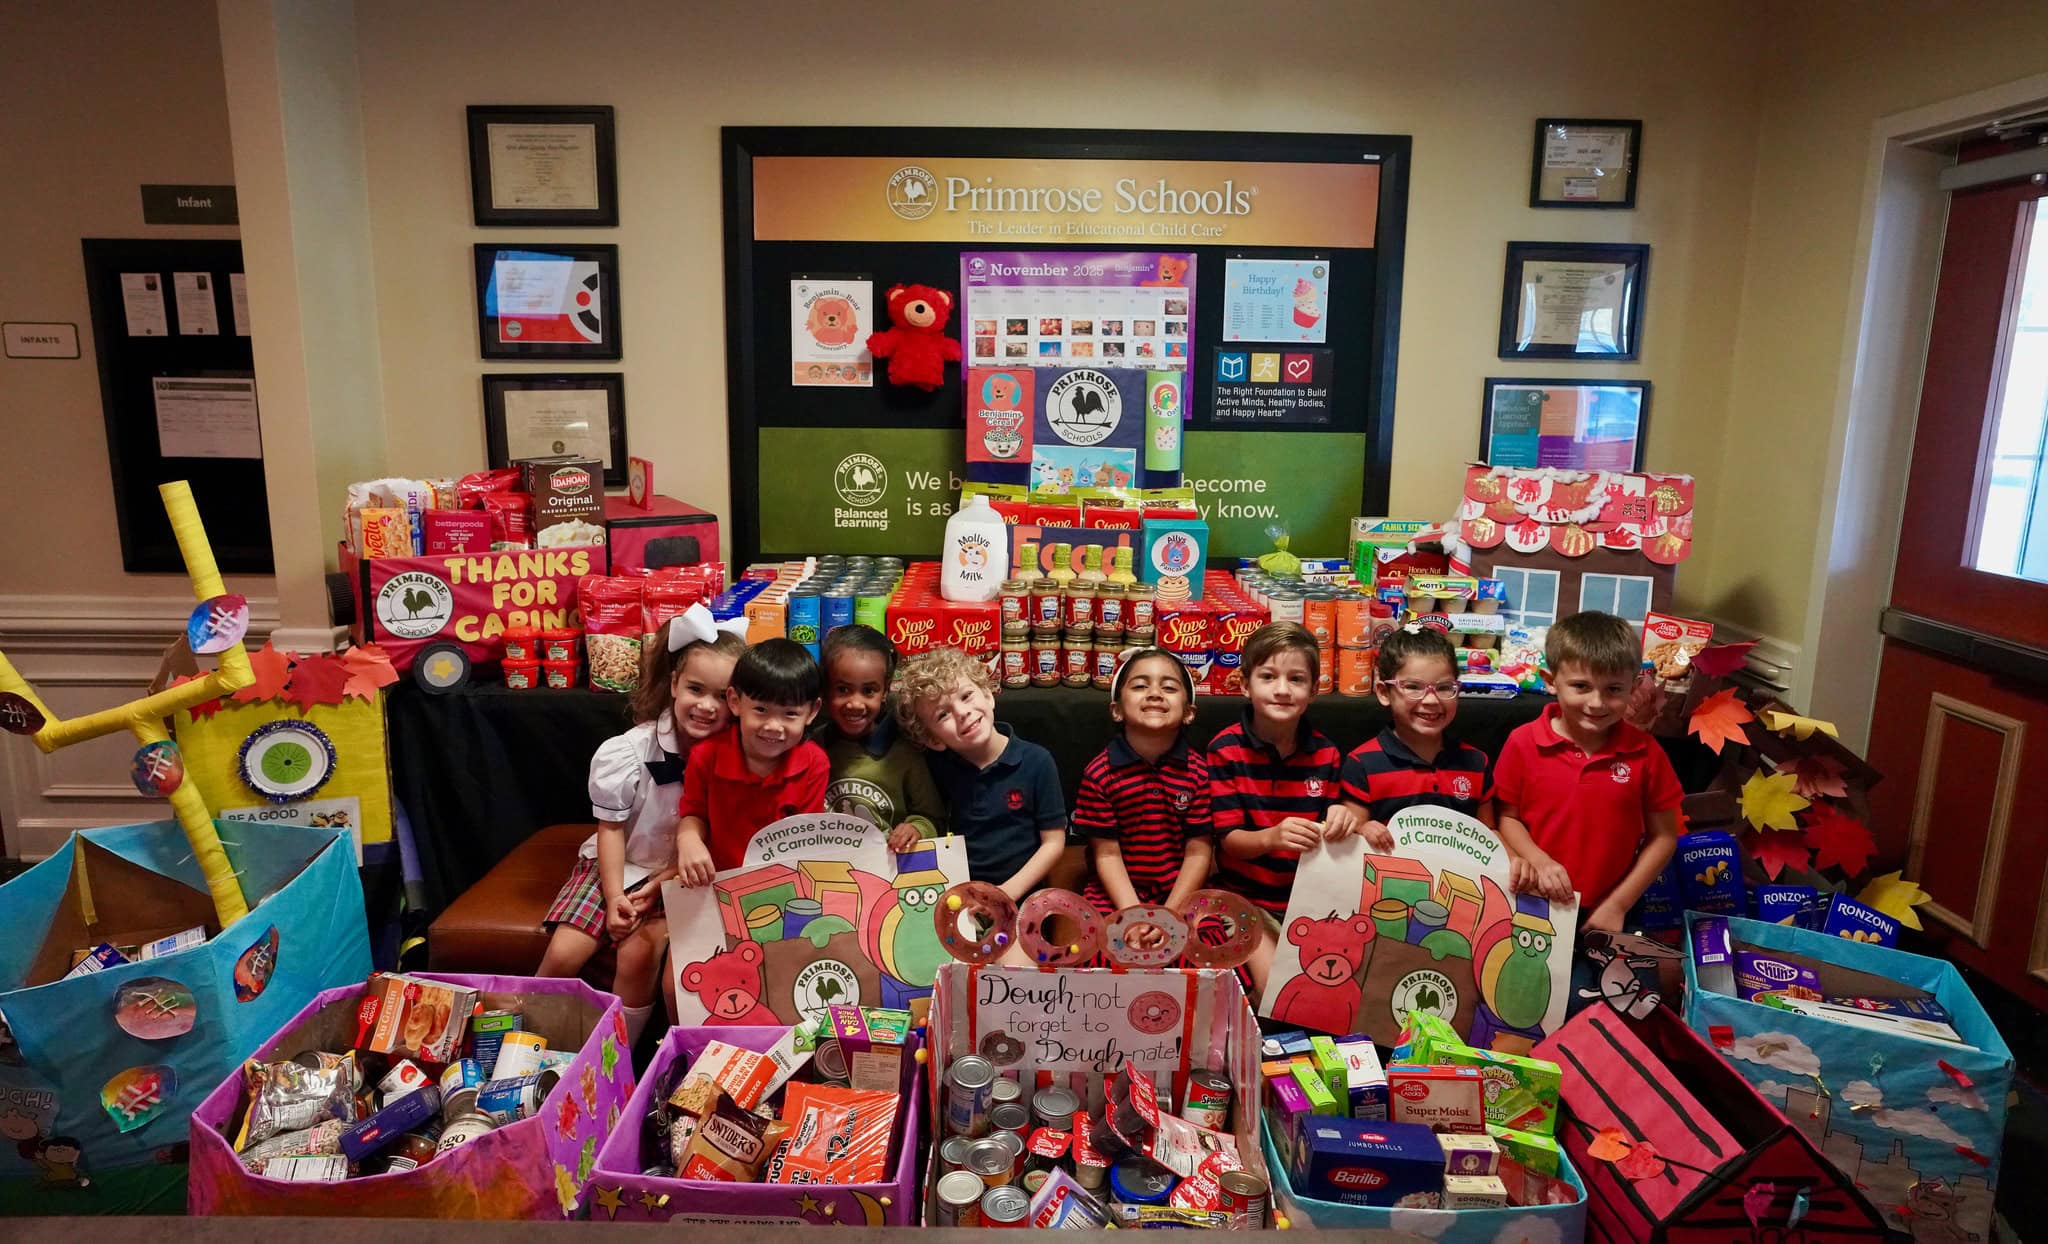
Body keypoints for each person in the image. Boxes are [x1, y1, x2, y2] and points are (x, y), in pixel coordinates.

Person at [536, 603, 746, 1045]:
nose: (706, 706)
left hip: (681, 878)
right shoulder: (630, 751)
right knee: (565, 950)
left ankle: (618, 1062)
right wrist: (614, 897)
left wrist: (664, 883)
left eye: (721, 695)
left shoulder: (738, 757)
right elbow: (610, 829)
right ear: (673, 683)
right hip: (616, 864)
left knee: (636, 957)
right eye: (694, 689)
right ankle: (535, 1042)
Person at [1490, 611, 1683, 935]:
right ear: (1551, 682)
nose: (1597, 703)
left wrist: (1618, 904)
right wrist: (1539, 861)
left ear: (1633, 688)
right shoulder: (1523, 742)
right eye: (1581, 686)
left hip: (1613, 909)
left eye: (1613, 690)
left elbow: (1664, 837)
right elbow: (1507, 819)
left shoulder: (1646, 753)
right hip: (1532, 902)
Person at [1208, 622, 1362, 992]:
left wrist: (1344, 818)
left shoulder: (1326, 754)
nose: (1281, 690)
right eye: (1268, 676)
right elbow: (1228, 840)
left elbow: (1333, 833)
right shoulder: (1225, 749)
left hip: (1311, 901)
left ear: (1313, 689)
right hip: (1244, 899)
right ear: (1245, 685)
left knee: (1331, 986)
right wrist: (1270, 838)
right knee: (1272, 987)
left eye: (1296, 679)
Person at [893, 646, 1065, 902]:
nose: (962, 713)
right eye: (943, 714)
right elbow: (931, 820)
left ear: (988, 695)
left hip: (1021, 898)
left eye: (966, 696)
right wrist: (915, 829)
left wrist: (1005, 894)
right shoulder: (937, 767)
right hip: (956, 895)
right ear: (933, 739)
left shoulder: (1037, 762)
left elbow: (1053, 843)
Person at [1074, 648, 1213, 929]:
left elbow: (1199, 852)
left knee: (1209, 951)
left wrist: (1168, 917)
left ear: (1189, 712)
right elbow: (1107, 854)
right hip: (1114, 895)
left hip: (1181, 894)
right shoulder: (1100, 773)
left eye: (1169, 687)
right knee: (1100, 955)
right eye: (1140, 685)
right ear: (1116, 710)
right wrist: (1134, 915)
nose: (1154, 693)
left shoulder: (1198, 772)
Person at [675, 637, 831, 884]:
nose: (773, 726)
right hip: (716, 883)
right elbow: (694, 814)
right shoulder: (706, 756)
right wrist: (688, 840)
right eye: (760, 710)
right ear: (735, 702)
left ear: (812, 712)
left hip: (784, 884)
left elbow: (808, 838)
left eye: (790, 714)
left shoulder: (814, 764)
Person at [1337, 624, 1494, 846]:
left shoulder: (1476, 763)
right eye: (1412, 687)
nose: (1431, 700)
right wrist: (1363, 829)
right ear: (1384, 693)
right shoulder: (1362, 763)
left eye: (1444, 688)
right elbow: (1352, 836)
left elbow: (1487, 835)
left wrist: (1515, 858)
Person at [814, 624, 947, 850]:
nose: (855, 703)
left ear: (885, 691)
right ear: (826, 689)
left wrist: (916, 829)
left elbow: (934, 818)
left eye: (868, 691)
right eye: (843, 689)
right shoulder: (814, 748)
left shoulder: (905, 752)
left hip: (889, 870)